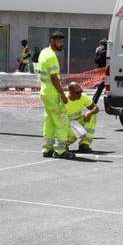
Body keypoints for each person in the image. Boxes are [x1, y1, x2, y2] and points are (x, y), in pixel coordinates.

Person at [39, 31, 73, 159]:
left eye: (63, 41)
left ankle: (47, 148)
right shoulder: (52, 56)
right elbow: (54, 78)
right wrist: (63, 95)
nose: (62, 44)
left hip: (45, 92)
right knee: (61, 121)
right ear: (52, 41)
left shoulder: (43, 53)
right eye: (60, 41)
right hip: (53, 93)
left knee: (49, 122)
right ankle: (60, 150)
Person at [64, 82, 99, 153]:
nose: (80, 94)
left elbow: (96, 108)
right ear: (70, 92)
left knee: (93, 116)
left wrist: (89, 112)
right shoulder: (64, 99)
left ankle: (84, 144)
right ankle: (63, 145)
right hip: (65, 125)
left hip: (76, 123)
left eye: (81, 92)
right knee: (69, 136)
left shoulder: (83, 97)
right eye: (77, 93)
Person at [92, 39, 107, 105]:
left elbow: (97, 61)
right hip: (106, 72)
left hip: (103, 73)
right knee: (100, 88)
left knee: (100, 89)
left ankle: (93, 102)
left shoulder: (103, 52)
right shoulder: (108, 51)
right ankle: (93, 102)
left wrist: (97, 53)